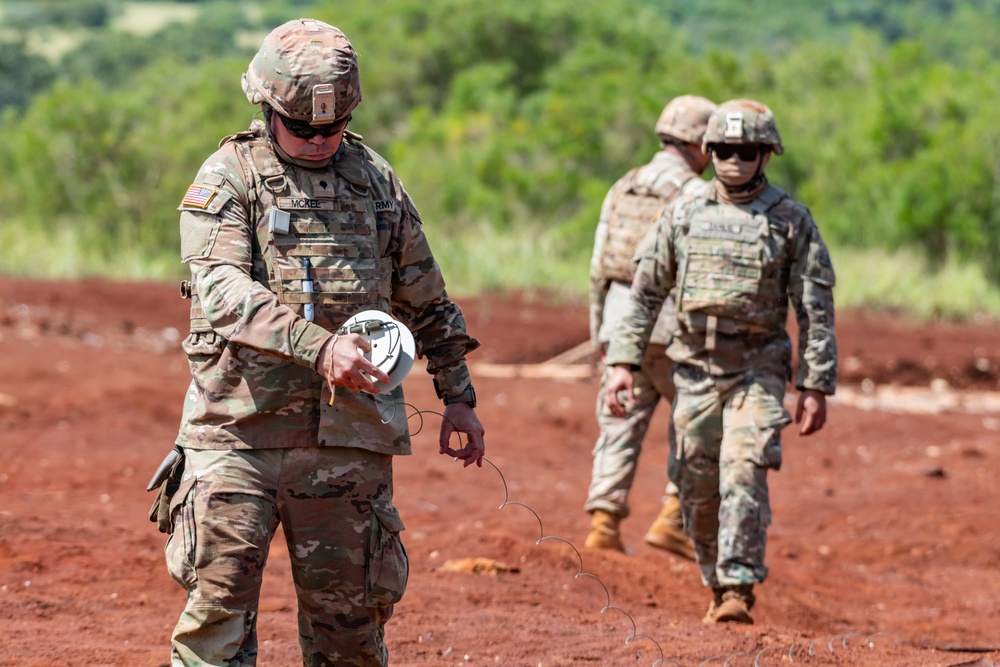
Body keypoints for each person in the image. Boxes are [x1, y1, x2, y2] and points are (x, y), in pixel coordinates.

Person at [160, 18, 485, 666]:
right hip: (238, 437)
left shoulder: (375, 182)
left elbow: (425, 294)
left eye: (330, 129)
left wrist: (458, 396)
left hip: (349, 442)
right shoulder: (230, 176)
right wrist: (318, 346)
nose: (316, 140)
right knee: (217, 620)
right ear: (267, 107)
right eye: (301, 127)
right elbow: (221, 290)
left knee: (352, 630)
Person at [604, 99, 837, 624]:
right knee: (694, 481)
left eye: (747, 150)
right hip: (696, 369)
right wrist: (623, 362)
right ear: (709, 151)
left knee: (744, 470)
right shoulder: (685, 212)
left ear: (766, 154)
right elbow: (644, 294)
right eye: (726, 149)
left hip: (758, 369)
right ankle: (715, 578)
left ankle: (737, 587)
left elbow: (815, 307)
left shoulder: (790, 220)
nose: (736, 159)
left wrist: (816, 385)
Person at [584, 95, 717, 560]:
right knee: (696, 421)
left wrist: (604, 335)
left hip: (623, 324)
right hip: (676, 328)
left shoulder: (625, 185)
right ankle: (673, 518)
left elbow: (599, 266)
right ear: (701, 144)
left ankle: (604, 522)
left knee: (619, 423)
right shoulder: (700, 195)